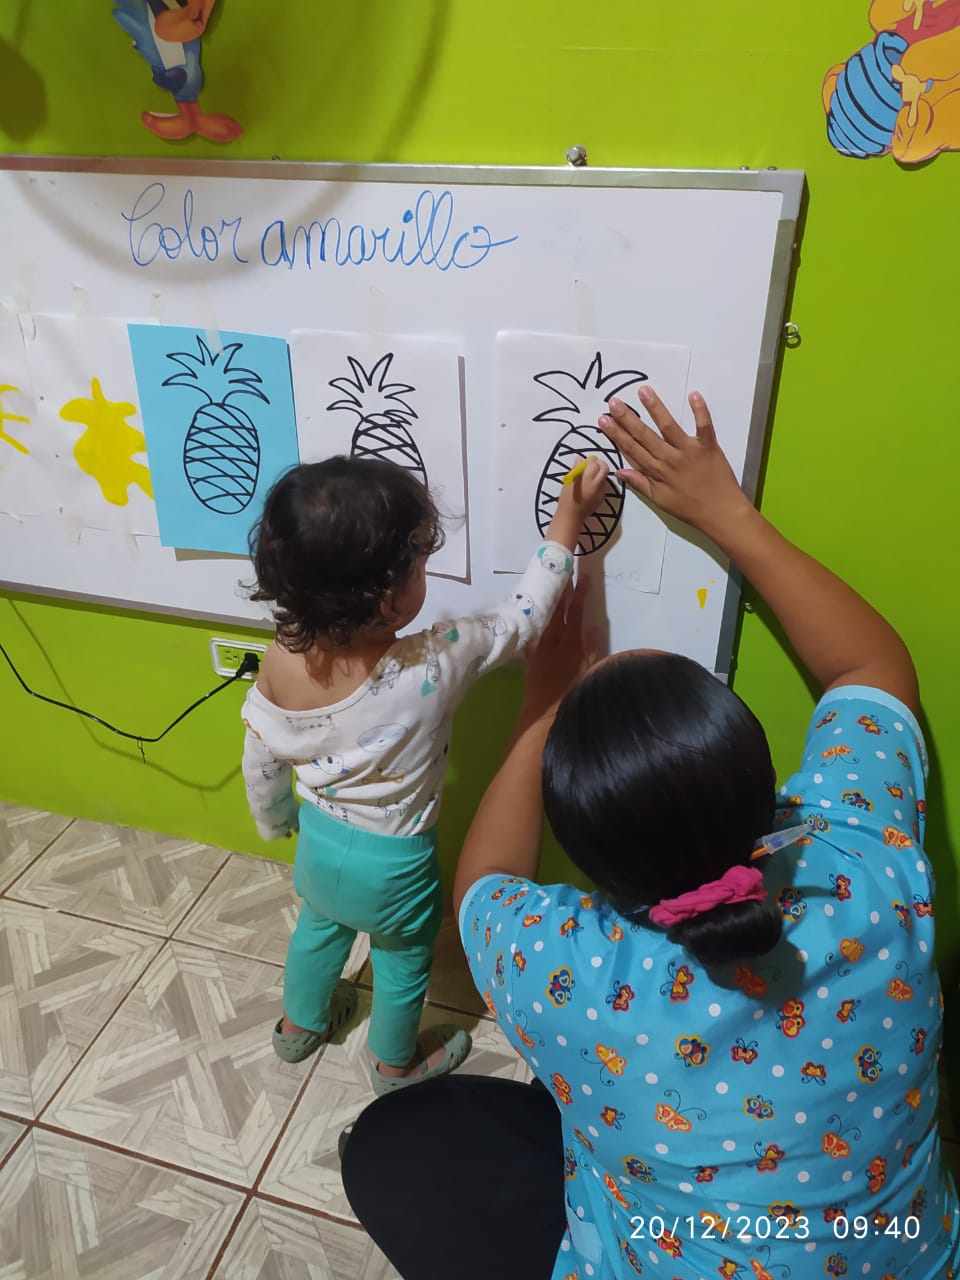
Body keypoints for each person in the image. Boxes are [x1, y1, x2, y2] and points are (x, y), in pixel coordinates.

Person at [341, 386, 959, 1278]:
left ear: (590, 869)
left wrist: (547, 698)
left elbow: (483, 886)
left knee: (389, 1143)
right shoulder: (867, 869)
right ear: (769, 787)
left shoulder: (568, 974)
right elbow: (871, 666)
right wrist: (728, 513)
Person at [241, 453, 608, 1094]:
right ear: (388, 599)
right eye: (418, 564)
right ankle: (394, 1065)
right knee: (404, 957)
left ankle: (298, 1027)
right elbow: (524, 617)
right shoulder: (435, 660)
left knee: (317, 931)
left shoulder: (279, 657)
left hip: (320, 843)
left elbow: (261, 753)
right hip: (396, 864)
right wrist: (565, 525)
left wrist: (275, 820)